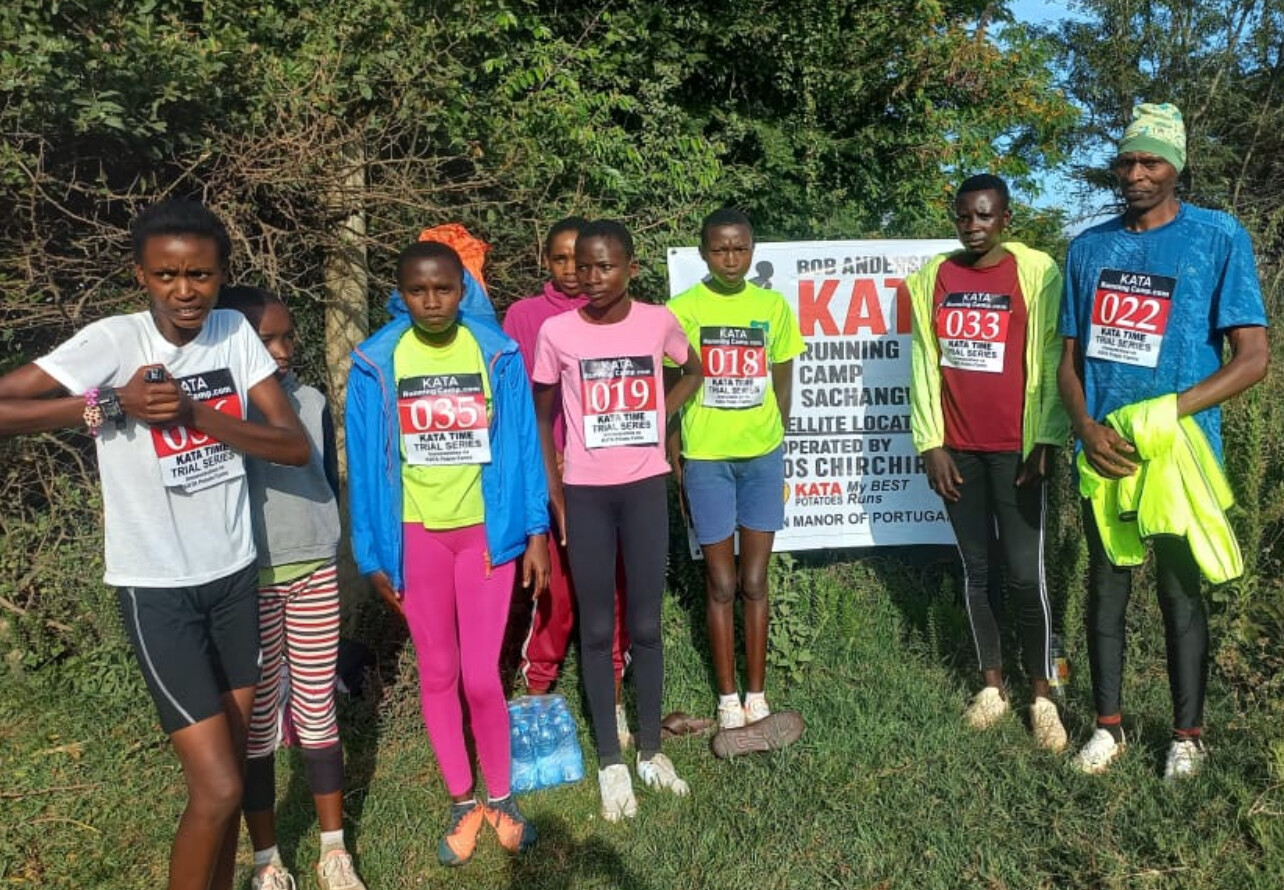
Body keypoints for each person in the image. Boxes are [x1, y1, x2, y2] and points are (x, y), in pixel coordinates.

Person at [0, 199, 310, 890]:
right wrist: (111, 403)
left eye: (201, 274)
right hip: (158, 590)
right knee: (218, 787)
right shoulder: (114, 341)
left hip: (234, 577)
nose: (185, 290)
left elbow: (292, 446)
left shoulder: (232, 332)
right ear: (141, 275)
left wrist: (195, 412)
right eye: (167, 275)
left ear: (221, 274)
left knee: (230, 775)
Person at [1058, 102, 1269, 778]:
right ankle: (1108, 728)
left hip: (1180, 452)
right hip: (1106, 450)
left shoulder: (1217, 237)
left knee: (1180, 594)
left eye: (1151, 161)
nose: (1136, 174)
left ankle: (1186, 737)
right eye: (1126, 162)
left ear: (1177, 166)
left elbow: (1252, 358)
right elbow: (1068, 361)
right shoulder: (1088, 249)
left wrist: (1166, 414)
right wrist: (1086, 428)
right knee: (1106, 591)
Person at [345, 241, 550, 866]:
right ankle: (463, 800)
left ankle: (501, 797)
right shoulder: (375, 362)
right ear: (400, 294)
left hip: (485, 534)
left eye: (443, 289)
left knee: (482, 675)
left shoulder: (497, 352)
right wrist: (370, 556)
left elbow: (523, 446)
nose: (431, 302)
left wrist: (536, 531)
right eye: (418, 290)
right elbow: (364, 464)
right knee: (438, 672)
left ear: (463, 290)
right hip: (416, 538)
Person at [532, 220, 703, 821]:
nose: (591, 277)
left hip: (644, 488)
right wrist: (554, 488)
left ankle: (652, 751)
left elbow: (693, 369)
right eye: (582, 265)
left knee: (647, 625)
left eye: (605, 265)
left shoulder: (657, 321)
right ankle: (611, 759)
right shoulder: (556, 332)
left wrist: (660, 413)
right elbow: (541, 413)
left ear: (631, 267)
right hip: (586, 495)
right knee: (599, 628)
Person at [906, 175, 1070, 751]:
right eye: (964, 217)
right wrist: (930, 443)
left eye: (984, 216)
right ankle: (992, 686)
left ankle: (1043, 695)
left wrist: (1046, 436)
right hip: (958, 453)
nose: (972, 227)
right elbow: (923, 363)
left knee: (1026, 574)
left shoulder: (1037, 272)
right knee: (977, 570)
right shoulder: (934, 278)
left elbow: (1052, 353)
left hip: (1017, 451)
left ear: (1005, 219)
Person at [218, 286, 365, 890]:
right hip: (246, 583)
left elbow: (324, 479)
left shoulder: (310, 400)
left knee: (316, 707)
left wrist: (328, 537)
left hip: (313, 571)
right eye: (265, 341)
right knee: (256, 724)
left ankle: (334, 851)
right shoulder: (218, 411)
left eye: (288, 337)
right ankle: (267, 858)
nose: (281, 351)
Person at [665, 208, 806, 743]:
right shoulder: (681, 311)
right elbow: (671, 391)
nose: (731, 258)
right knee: (722, 582)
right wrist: (677, 459)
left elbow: (783, 376)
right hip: (707, 460)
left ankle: (756, 694)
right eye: (720, 249)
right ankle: (727, 698)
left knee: (754, 580)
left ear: (753, 251)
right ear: (703, 252)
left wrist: (775, 432)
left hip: (761, 460)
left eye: (740, 248)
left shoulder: (771, 307)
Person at [503, 217, 633, 750]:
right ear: (547, 262)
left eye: (580, 260)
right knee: (555, 592)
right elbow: (515, 400)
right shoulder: (525, 316)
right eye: (560, 259)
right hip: (550, 477)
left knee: (615, 590)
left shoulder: (617, 314)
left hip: (608, 476)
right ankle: (537, 694)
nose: (572, 270)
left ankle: (614, 698)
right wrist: (542, 462)